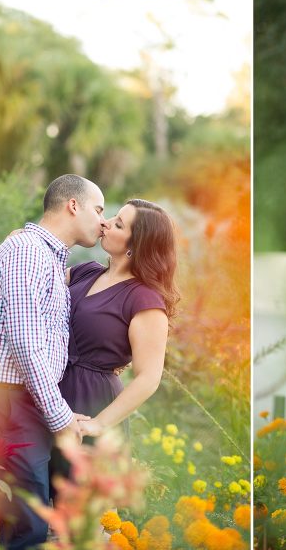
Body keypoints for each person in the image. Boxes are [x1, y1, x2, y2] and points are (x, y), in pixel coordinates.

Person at [0, 174, 107, 550]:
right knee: (26, 526)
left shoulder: (49, 258)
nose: (103, 220)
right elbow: (26, 344)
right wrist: (60, 417)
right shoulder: (28, 251)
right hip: (6, 395)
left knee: (29, 519)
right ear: (72, 205)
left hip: (21, 396)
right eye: (98, 209)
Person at [51, 199, 178, 470]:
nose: (105, 223)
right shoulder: (86, 271)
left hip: (92, 403)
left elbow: (148, 377)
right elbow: (37, 279)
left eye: (118, 224)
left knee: (80, 506)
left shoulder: (144, 299)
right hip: (51, 395)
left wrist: (99, 423)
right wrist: (23, 243)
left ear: (135, 245)